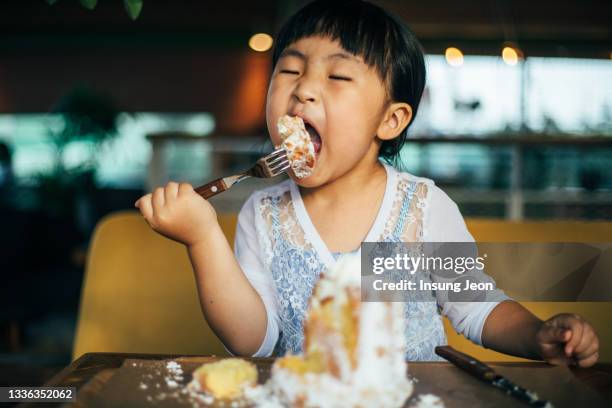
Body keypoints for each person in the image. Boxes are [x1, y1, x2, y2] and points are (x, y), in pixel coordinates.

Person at [135, 0, 599, 366]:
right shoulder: (265, 213)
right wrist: (202, 238)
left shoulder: (421, 208)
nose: (304, 89)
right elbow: (255, 341)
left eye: (337, 76)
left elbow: (476, 306)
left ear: (391, 120)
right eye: (290, 70)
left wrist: (539, 336)